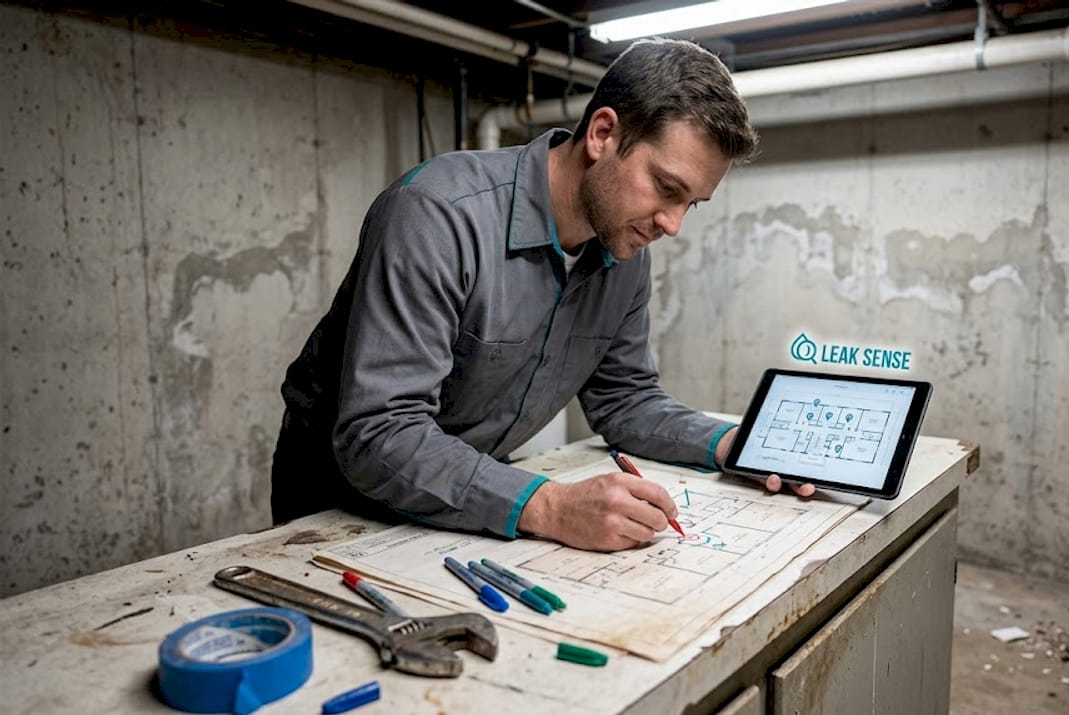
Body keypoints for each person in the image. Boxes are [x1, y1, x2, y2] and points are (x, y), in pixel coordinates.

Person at [271, 37, 812, 552]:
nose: (673, 224)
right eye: (668, 189)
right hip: (339, 511)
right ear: (602, 134)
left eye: (692, 203)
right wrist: (550, 507)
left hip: (466, 504)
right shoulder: (437, 214)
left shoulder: (623, 251)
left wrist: (737, 445)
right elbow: (379, 432)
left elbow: (625, 400)